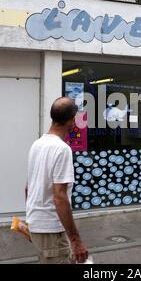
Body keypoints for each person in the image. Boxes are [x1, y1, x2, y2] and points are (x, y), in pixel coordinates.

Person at [26, 97, 88, 264]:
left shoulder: (37, 144)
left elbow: (28, 188)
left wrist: (32, 220)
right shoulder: (62, 149)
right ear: (72, 120)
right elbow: (59, 197)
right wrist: (76, 241)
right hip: (50, 228)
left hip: (37, 225)